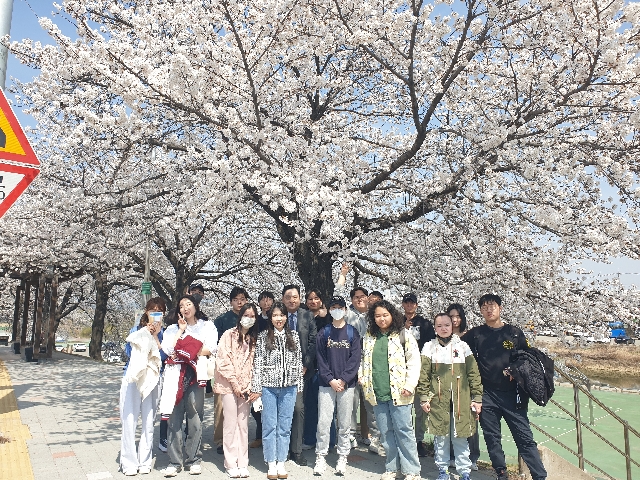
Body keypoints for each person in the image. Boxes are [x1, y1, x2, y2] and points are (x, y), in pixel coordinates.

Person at [464, 294, 547, 480]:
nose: (489, 310)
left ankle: (540, 476)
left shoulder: (514, 333)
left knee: (524, 438)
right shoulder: (476, 334)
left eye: (492, 306)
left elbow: (527, 358)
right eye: (484, 307)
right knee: (492, 438)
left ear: (500, 308)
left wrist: (515, 369)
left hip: (513, 395)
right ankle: (501, 473)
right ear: (480, 311)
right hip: (487, 394)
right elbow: (457, 346)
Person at [359, 300, 422, 480]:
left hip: (400, 392)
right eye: (377, 316)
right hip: (377, 392)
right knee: (386, 432)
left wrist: (409, 385)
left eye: (385, 315)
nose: (382, 319)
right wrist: (362, 377)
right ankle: (392, 467)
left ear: (392, 315)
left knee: (404, 431)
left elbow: (414, 361)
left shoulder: (403, 334)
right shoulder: (369, 336)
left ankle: (412, 471)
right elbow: (363, 360)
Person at [417, 313, 482, 480]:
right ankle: (442, 470)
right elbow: (423, 375)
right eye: (439, 326)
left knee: (461, 438)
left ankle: (464, 472)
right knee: (441, 438)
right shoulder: (429, 347)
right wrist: (423, 398)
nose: (443, 328)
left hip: (461, 401)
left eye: (446, 325)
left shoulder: (463, 346)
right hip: (438, 401)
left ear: (452, 326)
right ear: (435, 328)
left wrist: (477, 398)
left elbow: (473, 374)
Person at [160, 295, 218, 477]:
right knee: (174, 418)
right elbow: (169, 349)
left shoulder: (207, 326)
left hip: (196, 374)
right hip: (175, 376)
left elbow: (211, 348)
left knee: (195, 417)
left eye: (189, 304)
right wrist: (181, 332)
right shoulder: (172, 328)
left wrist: (185, 350)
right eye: (181, 305)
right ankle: (174, 461)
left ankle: (194, 459)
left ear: (196, 306)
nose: (185, 308)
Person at [250, 302, 303, 480]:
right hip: (268, 388)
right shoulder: (263, 336)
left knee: (285, 426)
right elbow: (258, 363)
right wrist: (257, 388)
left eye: (281, 315)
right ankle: (271, 462)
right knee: (269, 425)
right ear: (270, 318)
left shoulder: (294, 336)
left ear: (286, 317)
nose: (278, 319)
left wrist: (299, 384)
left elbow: (298, 361)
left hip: (289, 387)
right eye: (275, 315)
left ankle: (281, 461)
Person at [334, 264, 381, 454]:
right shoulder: (347, 314)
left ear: (368, 298)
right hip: (351, 363)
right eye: (356, 297)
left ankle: (376, 438)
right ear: (352, 300)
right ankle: (350, 435)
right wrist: (343, 274)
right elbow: (337, 293)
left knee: (372, 403)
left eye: (363, 296)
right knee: (350, 402)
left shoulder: (375, 315)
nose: (360, 299)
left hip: (370, 365)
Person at [313, 296, 361, 476]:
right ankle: (321, 456)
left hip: (347, 385)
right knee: (324, 422)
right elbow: (320, 358)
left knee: (345, 423)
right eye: (333, 307)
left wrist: (344, 379)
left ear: (345, 310)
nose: (337, 310)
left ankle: (343, 456)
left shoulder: (352, 332)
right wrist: (331, 379)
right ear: (329, 310)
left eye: (340, 307)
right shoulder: (324, 332)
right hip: (327, 385)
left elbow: (355, 359)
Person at [120, 297, 167, 476]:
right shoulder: (136, 330)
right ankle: (128, 462)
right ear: (146, 312)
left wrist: (155, 335)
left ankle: (145, 461)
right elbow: (129, 352)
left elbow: (164, 357)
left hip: (153, 379)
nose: (155, 314)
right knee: (129, 420)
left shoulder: (165, 333)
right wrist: (144, 333)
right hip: (133, 379)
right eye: (152, 310)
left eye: (159, 311)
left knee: (149, 421)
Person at [214, 303, 260, 478]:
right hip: (228, 386)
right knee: (230, 424)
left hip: (246, 387)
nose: (249, 318)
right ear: (240, 316)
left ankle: (243, 462)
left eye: (252, 316)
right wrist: (235, 383)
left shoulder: (254, 339)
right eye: (246, 315)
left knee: (243, 425)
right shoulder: (228, 335)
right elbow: (223, 360)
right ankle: (230, 463)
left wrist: (249, 385)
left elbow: (255, 365)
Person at [282, 285, 317, 466]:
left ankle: (296, 451)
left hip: (301, 372)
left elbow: (313, 341)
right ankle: (283, 449)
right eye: (288, 297)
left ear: (300, 298)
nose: (292, 300)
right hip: (280, 372)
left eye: (295, 296)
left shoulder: (307, 315)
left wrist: (306, 364)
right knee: (283, 410)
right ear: (283, 299)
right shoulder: (278, 315)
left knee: (298, 409)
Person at [213, 287, 249, 454]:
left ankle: (239, 441)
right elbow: (218, 347)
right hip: (225, 371)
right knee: (221, 408)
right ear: (231, 302)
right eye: (236, 299)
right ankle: (221, 441)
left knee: (242, 411)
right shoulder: (222, 320)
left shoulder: (250, 318)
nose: (239, 302)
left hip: (244, 372)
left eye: (242, 299)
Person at [401, 292, 436, 458]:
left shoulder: (425, 324)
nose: (409, 305)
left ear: (416, 305)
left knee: (420, 408)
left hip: (420, 370)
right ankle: (404, 439)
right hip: (402, 371)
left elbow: (432, 345)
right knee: (403, 406)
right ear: (403, 304)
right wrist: (403, 327)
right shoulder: (396, 321)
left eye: (412, 303)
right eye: (406, 302)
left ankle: (418, 440)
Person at [446, 303, 480, 471]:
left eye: (458, 316)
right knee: (450, 423)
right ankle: (452, 456)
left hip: (466, 386)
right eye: (451, 316)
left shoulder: (470, 336)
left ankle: (472, 457)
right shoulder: (442, 337)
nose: (454, 319)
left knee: (470, 422)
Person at [250, 290, 275, 449]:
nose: (266, 303)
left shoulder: (276, 319)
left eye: (269, 300)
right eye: (263, 300)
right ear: (259, 303)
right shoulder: (256, 320)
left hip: (273, 365)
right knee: (256, 404)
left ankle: (270, 436)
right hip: (257, 364)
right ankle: (260, 435)